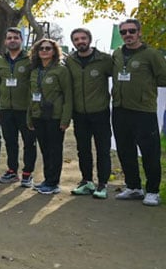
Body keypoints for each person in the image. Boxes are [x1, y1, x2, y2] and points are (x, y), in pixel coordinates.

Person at [111, 19, 166, 206]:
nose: (128, 35)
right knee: (125, 151)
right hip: (120, 109)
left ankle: (153, 191)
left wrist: (144, 88)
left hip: (143, 111)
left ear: (139, 32)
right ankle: (133, 187)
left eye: (131, 31)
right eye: (123, 32)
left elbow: (163, 78)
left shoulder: (151, 54)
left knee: (150, 152)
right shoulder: (117, 53)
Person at [65, 27, 113, 199]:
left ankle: (103, 184)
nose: (80, 42)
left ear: (89, 39)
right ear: (73, 42)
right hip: (79, 114)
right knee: (83, 150)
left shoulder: (104, 59)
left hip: (100, 112)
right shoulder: (70, 61)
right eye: (76, 39)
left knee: (103, 150)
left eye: (83, 38)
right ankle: (87, 181)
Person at [27, 38, 72, 195]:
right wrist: (29, 117)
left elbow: (68, 96)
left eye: (48, 48)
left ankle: (54, 183)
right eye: (41, 48)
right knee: (45, 149)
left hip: (55, 116)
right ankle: (47, 180)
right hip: (38, 115)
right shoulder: (35, 71)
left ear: (54, 52)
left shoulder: (61, 70)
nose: (44, 51)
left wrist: (65, 119)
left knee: (55, 150)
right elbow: (31, 96)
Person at [0, 27, 36, 188]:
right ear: (5, 41)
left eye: (16, 37)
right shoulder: (0, 61)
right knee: (10, 142)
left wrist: (34, 108)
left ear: (21, 40)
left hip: (25, 109)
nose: (12, 40)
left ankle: (27, 173)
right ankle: (12, 171)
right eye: (9, 38)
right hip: (6, 109)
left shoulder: (30, 60)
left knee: (29, 142)